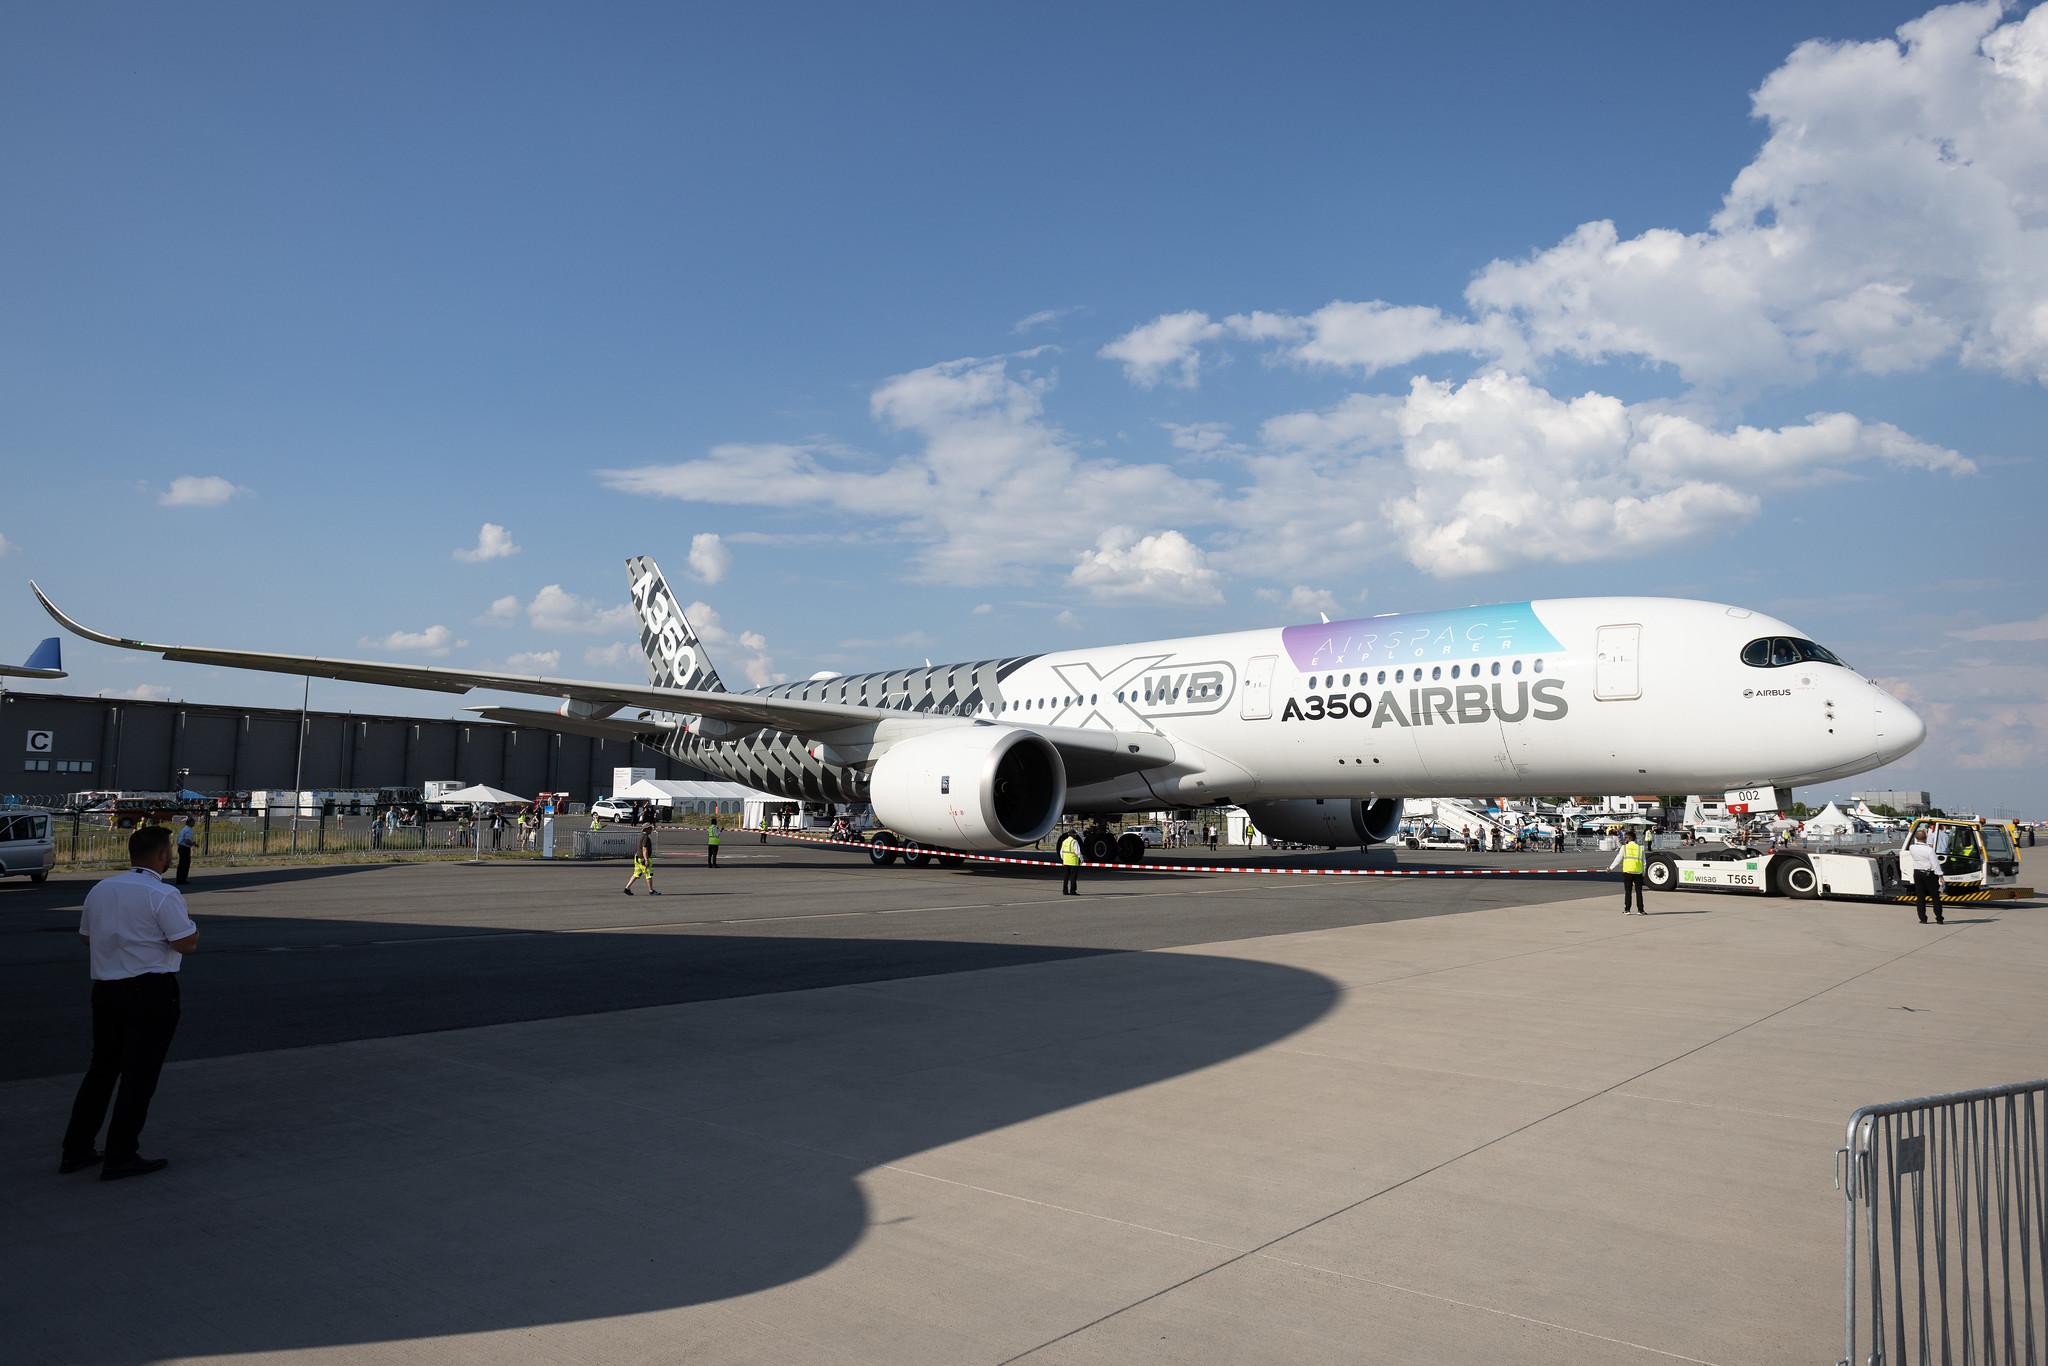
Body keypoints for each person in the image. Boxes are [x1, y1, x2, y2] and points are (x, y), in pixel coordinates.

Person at [61, 826, 198, 1181]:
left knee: (102, 1069)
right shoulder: (162, 894)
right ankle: (121, 1154)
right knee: (139, 1075)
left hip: (107, 990)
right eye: (168, 850)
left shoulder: (101, 889)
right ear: (160, 856)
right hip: (151, 990)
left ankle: (76, 1148)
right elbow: (185, 943)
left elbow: (85, 938)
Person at [1905, 828, 1944, 924]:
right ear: (1925, 838)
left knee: (1920, 896)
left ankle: (1923, 918)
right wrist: (1940, 876)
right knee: (1935, 897)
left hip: (1917, 873)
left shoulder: (1912, 847)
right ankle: (1939, 918)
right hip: (1929, 874)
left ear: (1916, 838)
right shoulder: (1929, 850)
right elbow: (1935, 864)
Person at [1608, 831, 1648, 914]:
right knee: (1639, 892)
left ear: (1629, 838)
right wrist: (1643, 872)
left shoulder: (1624, 848)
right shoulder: (1641, 848)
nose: (1624, 839)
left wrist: (1611, 868)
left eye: (1626, 837)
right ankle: (1641, 910)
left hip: (1628, 872)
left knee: (1628, 891)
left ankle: (1627, 910)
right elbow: (1644, 862)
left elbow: (1618, 859)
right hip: (1638, 872)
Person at [624, 825, 660, 895]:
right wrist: (646, 859)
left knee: (636, 874)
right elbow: (644, 849)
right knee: (648, 874)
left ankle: (627, 888)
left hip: (637, 857)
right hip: (642, 859)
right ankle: (651, 890)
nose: (651, 830)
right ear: (646, 829)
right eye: (650, 828)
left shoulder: (641, 836)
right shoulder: (646, 837)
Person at [1058, 827, 1083, 896]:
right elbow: (1078, 852)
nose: (1075, 836)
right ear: (1073, 835)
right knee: (1073, 877)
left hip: (1066, 862)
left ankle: (1065, 891)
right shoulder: (1075, 842)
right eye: (1075, 835)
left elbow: (1061, 852)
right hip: (1073, 862)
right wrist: (1081, 860)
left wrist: (1064, 859)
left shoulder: (1064, 841)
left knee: (1066, 877)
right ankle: (1072, 891)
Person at [175, 815, 197, 885]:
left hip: (181, 847)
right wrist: (193, 844)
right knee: (185, 864)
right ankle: (182, 879)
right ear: (190, 822)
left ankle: (179, 879)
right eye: (193, 822)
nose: (194, 823)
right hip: (185, 848)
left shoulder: (184, 829)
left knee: (181, 864)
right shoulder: (189, 830)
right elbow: (187, 840)